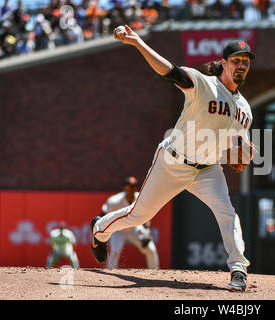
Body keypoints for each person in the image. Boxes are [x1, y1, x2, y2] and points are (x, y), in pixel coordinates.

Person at [90, 25, 256, 291]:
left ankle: (238, 270)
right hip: (172, 162)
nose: (241, 65)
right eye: (236, 60)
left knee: (227, 213)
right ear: (224, 63)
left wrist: (244, 150)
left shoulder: (245, 109)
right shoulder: (203, 83)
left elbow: (236, 144)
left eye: (245, 62)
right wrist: (138, 43)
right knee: (137, 215)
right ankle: (100, 229)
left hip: (207, 169)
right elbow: (169, 71)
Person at [101, 176, 160, 270]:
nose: (132, 189)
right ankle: (110, 273)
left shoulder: (141, 198)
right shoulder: (114, 201)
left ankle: (155, 273)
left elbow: (146, 217)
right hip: (118, 230)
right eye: (130, 186)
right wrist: (103, 234)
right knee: (115, 252)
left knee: (151, 249)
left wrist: (147, 234)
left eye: (134, 186)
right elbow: (103, 216)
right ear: (124, 188)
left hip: (135, 228)